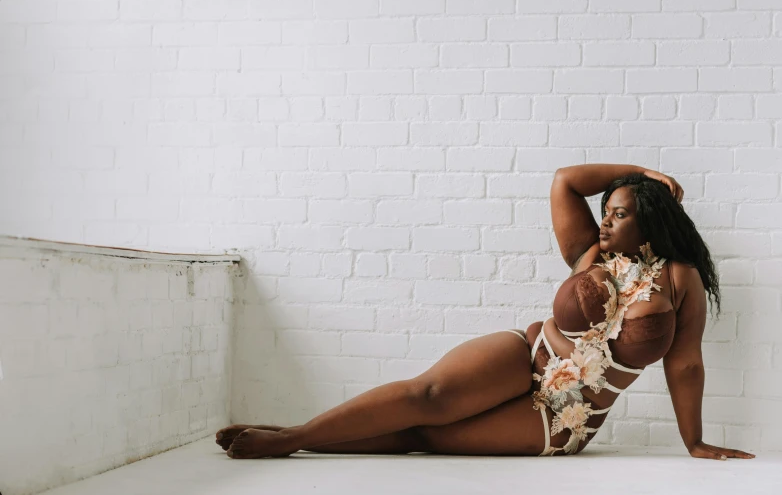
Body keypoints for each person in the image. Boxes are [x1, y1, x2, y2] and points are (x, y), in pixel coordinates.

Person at [215, 163, 755, 461]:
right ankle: (290, 437)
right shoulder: (591, 255)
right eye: (605, 212)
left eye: (618, 214)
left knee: (426, 437)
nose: (605, 223)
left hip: (568, 416)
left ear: (651, 222)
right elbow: (565, 180)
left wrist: (695, 442)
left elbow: (684, 364)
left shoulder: (679, 278)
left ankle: (301, 438)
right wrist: (641, 174)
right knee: (424, 397)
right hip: (526, 355)